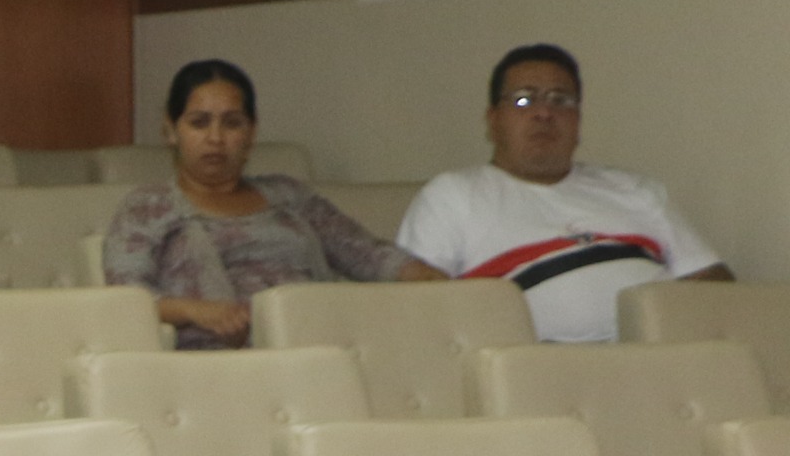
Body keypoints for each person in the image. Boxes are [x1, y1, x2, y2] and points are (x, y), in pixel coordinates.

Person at [396, 44, 728, 343]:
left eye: (561, 100)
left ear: (578, 120)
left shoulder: (634, 189)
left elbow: (714, 282)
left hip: (663, 357)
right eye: (524, 99)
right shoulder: (452, 195)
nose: (544, 113)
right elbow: (420, 311)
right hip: (538, 367)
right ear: (493, 120)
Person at [102, 59, 441, 348]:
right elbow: (126, 300)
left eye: (232, 123)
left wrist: (428, 278)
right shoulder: (148, 207)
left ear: (251, 134)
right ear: (171, 131)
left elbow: (366, 254)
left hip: (318, 342)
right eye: (199, 123)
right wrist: (194, 310)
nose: (215, 138)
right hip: (216, 361)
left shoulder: (289, 196)